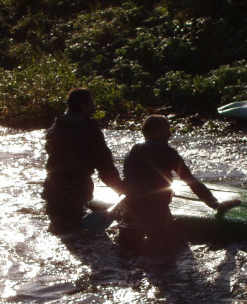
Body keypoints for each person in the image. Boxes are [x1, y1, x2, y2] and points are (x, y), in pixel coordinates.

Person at [119, 114, 230, 252]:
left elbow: (125, 183)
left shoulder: (131, 153)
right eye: (167, 129)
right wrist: (215, 204)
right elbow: (191, 181)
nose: (170, 134)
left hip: (130, 215)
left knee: (127, 257)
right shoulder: (167, 152)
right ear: (157, 132)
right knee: (169, 257)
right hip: (157, 214)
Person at [42, 88, 124, 235]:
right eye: (91, 102)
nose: (94, 105)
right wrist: (122, 190)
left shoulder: (55, 127)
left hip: (52, 190)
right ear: (82, 105)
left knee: (59, 230)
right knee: (79, 233)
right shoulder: (89, 130)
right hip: (76, 190)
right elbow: (105, 168)